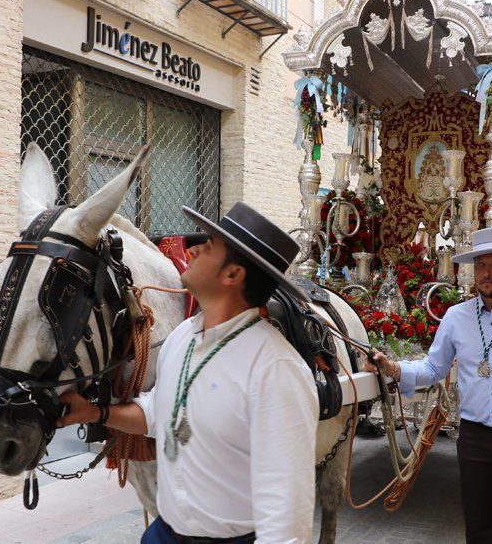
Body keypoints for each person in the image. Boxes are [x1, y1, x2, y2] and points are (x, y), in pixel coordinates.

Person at [56, 202, 319, 543]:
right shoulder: (182, 336)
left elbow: (287, 513)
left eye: (208, 246)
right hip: (165, 534)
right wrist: (95, 412)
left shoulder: (276, 370)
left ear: (233, 275)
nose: (192, 248)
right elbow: (159, 410)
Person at [369, 227, 492, 544]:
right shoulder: (455, 317)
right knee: (478, 530)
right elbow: (433, 367)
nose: (485, 273)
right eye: (479, 265)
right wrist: (393, 368)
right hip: (474, 438)